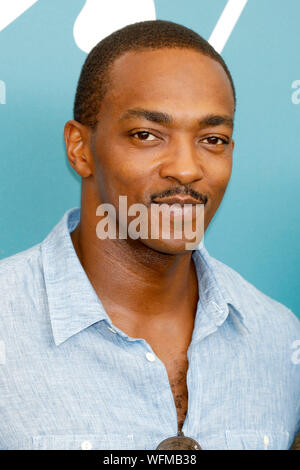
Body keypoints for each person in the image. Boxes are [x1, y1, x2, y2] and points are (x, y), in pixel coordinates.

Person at [0, 20, 299, 451]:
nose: (186, 167)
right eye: (147, 135)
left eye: (213, 139)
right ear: (79, 149)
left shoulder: (279, 339)